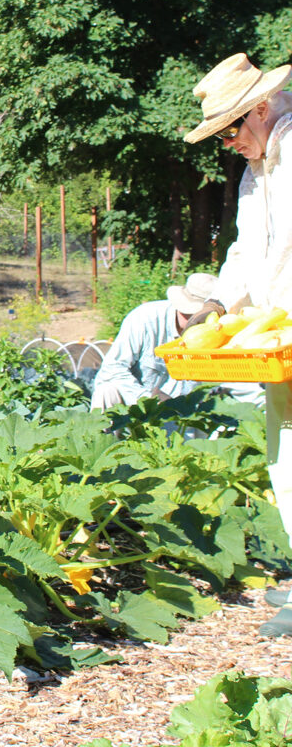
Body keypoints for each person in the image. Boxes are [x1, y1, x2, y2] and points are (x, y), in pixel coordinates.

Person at [184, 51, 292, 637]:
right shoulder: (258, 169)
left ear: (260, 107)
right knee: (286, 455)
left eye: (230, 129)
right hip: (280, 335)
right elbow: (250, 253)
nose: (227, 143)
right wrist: (221, 305)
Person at [91, 272, 263, 412]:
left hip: (183, 415)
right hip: (136, 402)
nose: (193, 321)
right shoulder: (144, 319)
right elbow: (112, 369)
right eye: (188, 314)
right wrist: (149, 399)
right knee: (106, 391)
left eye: (201, 318)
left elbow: (237, 381)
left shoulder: (221, 332)